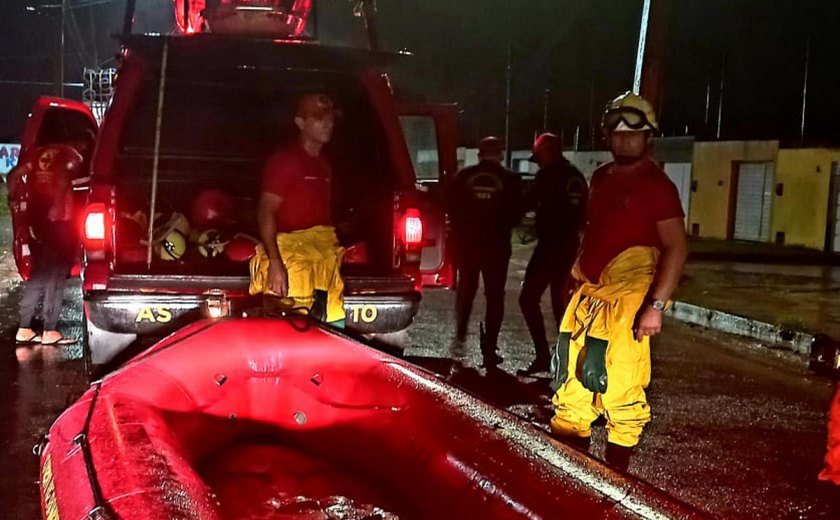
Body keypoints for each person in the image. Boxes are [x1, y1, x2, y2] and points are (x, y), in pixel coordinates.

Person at [549, 92, 688, 473]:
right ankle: (569, 479)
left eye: (633, 134)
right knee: (571, 384)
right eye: (618, 133)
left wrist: (655, 307)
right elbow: (594, 232)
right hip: (589, 296)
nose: (624, 140)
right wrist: (574, 276)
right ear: (607, 136)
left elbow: (676, 248)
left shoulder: (657, 186)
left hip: (629, 301)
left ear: (648, 137)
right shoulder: (600, 178)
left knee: (620, 388)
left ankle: (617, 481)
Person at [250, 93, 345, 324]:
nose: (328, 124)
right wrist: (275, 263)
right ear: (300, 123)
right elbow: (265, 212)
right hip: (291, 262)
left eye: (330, 119)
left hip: (321, 261)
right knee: (289, 332)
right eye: (319, 119)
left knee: (330, 325)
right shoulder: (286, 161)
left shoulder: (323, 165)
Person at [9, 130, 93, 346]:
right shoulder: (72, 155)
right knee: (55, 276)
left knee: (39, 274)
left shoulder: (38, 153)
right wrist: (58, 206)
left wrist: (13, 197)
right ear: (82, 143)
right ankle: (49, 330)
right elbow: (64, 178)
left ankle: (24, 328)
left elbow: (14, 174)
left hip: (36, 219)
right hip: (57, 223)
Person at [446, 136, 521, 369]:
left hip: (468, 246)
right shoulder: (511, 180)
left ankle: (460, 336)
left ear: (479, 154)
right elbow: (517, 215)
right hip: (497, 247)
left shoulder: (463, 177)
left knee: (466, 291)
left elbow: (450, 207)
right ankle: (490, 347)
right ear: (500, 154)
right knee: (495, 296)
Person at [518, 133, 588, 376]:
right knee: (562, 305)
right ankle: (566, 362)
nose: (538, 163)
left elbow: (527, 202)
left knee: (529, 299)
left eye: (539, 158)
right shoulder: (576, 177)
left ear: (548, 152)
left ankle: (545, 356)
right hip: (570, 247)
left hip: (551, 247)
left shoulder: (547, 176)